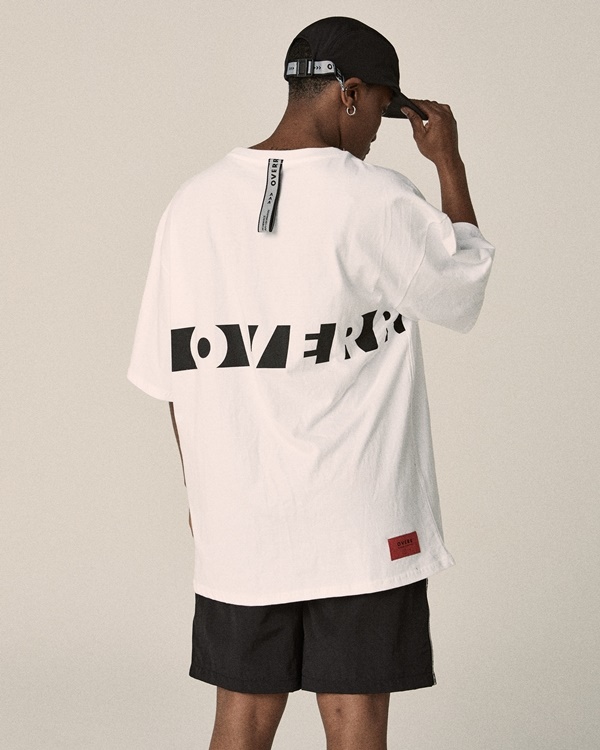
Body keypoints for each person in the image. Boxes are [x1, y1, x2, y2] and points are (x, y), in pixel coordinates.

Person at [128, 16, 494, 750]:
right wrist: (449, 163)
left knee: (242, 720)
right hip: (361, 521)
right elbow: (465, 284)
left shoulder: (192, 205)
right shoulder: (374, 198)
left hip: (241, 518)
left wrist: (204, 493)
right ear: (348, 93)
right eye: (381, 110)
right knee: (355, 722)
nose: (378, 132)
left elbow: (172, 375)